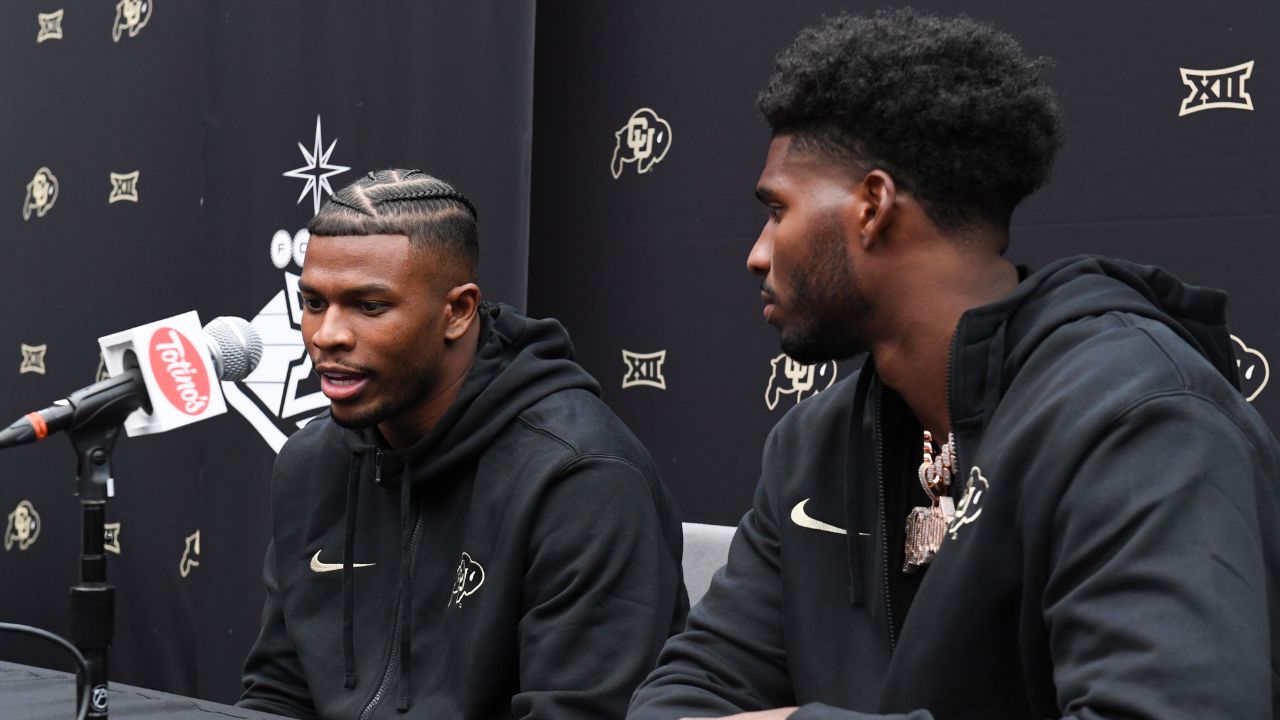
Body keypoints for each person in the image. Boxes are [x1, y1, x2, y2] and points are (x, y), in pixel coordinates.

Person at [628, 10, 1279, 720]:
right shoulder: (813, 445)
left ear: (872, 206)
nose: (757, 252)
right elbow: (682, 700)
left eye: (778, 210)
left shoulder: (1139, 420)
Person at [238, 169, 689, 719]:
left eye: (369, 306)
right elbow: (276, 696)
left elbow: (577, 712)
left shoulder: (581, 476)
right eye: (313, 302)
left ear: (457, 311)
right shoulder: (312, 465)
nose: (328, 334)